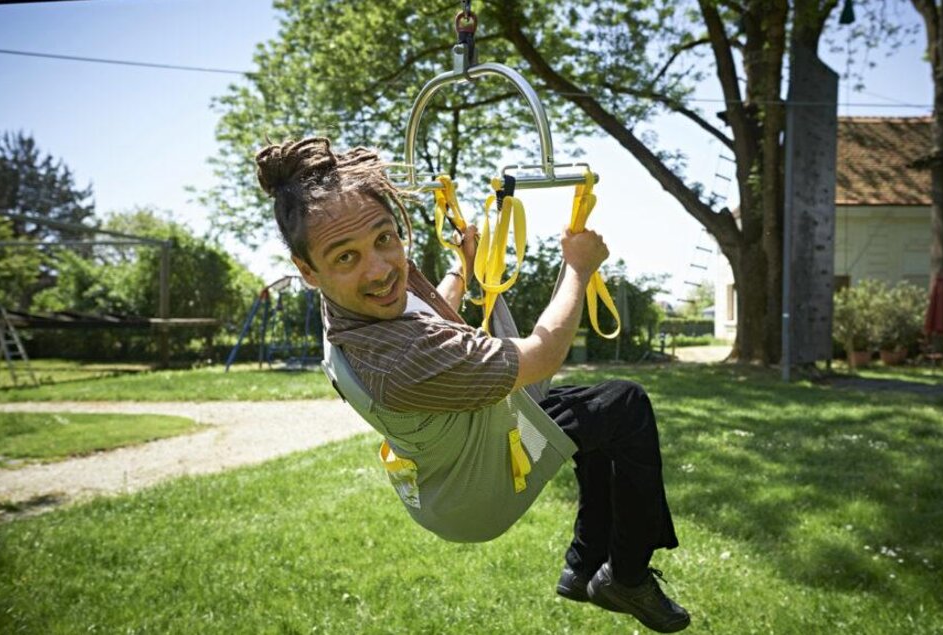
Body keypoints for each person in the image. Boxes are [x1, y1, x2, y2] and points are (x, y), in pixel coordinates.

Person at [256, 137, 691, 633]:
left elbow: (429, 315)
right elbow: (543, 354)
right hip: (478, 494)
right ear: (307, 271)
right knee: (624, 405)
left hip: (444, 478)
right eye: (346, 257)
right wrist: (578, 267)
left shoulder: (348, 307)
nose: (378, 269)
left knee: (594, 420)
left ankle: (585, 564)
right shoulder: (402, 364)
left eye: (384, 239)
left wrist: (463, 266)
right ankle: (627, 577)